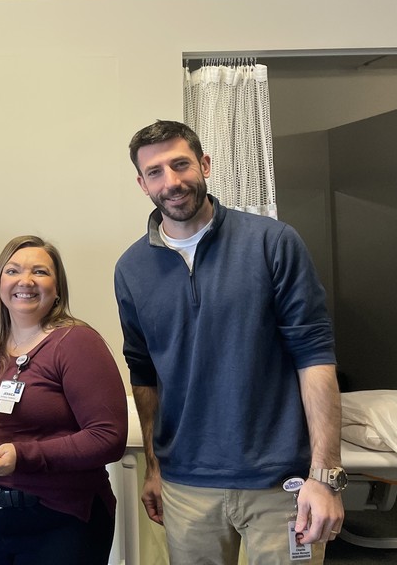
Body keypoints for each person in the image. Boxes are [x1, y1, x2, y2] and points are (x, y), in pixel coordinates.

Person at [115, 120, 344, 565]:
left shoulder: (271, 241)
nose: (172, 181)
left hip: (282, 483)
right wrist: (155, 469)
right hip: (186, 486)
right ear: (142, 184)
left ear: (204, 164)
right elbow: (143, 373)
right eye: (156, 172)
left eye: (181, 164)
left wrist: (325, 476)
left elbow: (314, 355)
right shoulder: (131, 268)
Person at [0, 235, 127, 565]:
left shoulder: (76, 342)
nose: (25, 281)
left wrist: (23, 456)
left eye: (39, 271)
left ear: (57, 288)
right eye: (13, 271)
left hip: (63, 517)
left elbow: (108, 438)